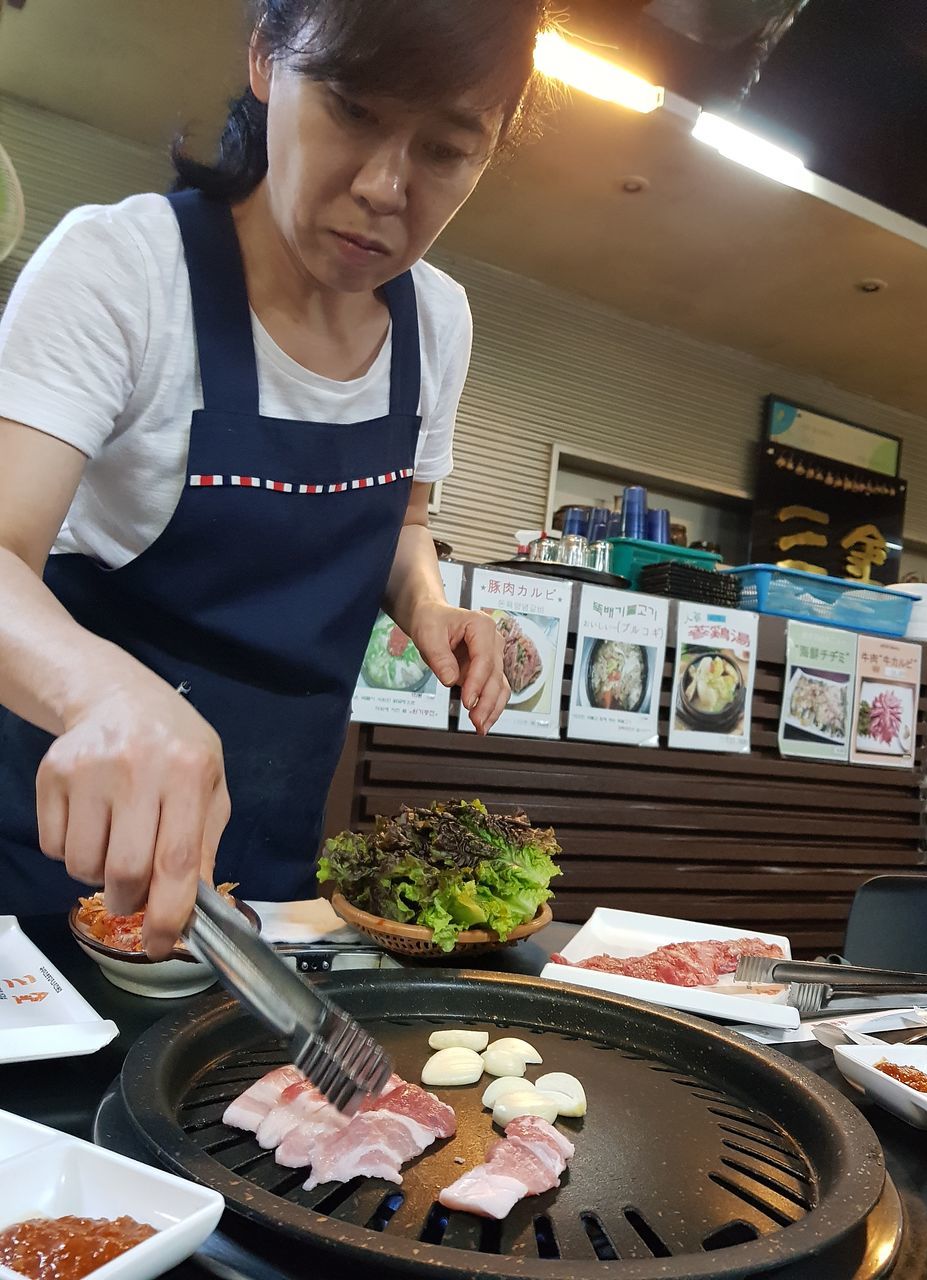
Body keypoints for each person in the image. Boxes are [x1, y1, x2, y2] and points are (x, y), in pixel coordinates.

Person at [0, 0, 553, 953]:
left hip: (275, 872)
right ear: (265, 61)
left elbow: (405, 520)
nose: (386, 186)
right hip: (53, 866)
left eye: (446, 150)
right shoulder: (126, 271)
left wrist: (427, 606)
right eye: (352, 109)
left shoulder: (439, 324)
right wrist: (103, 693)